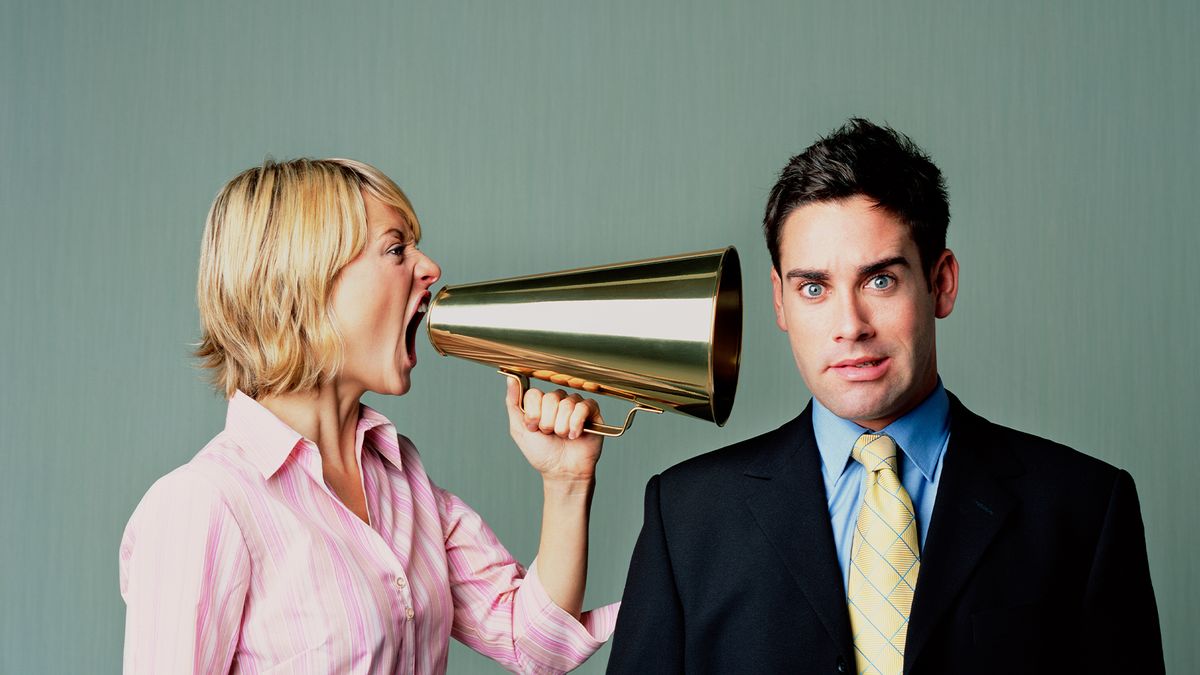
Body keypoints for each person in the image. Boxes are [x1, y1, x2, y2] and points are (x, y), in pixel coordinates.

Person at [607, 119, 1163, 674]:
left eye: (880, 280)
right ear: (779, 302)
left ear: (941, 282)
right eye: (814, 288)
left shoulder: (1083, 507)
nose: (850, 325)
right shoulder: (686, 516)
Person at [119, 158, 617, 674]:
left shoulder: (400, 477)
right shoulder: (203, 504)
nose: (429, 268)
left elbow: (537, 647)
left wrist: (566, 482)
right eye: (396, 248)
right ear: (306, 280)